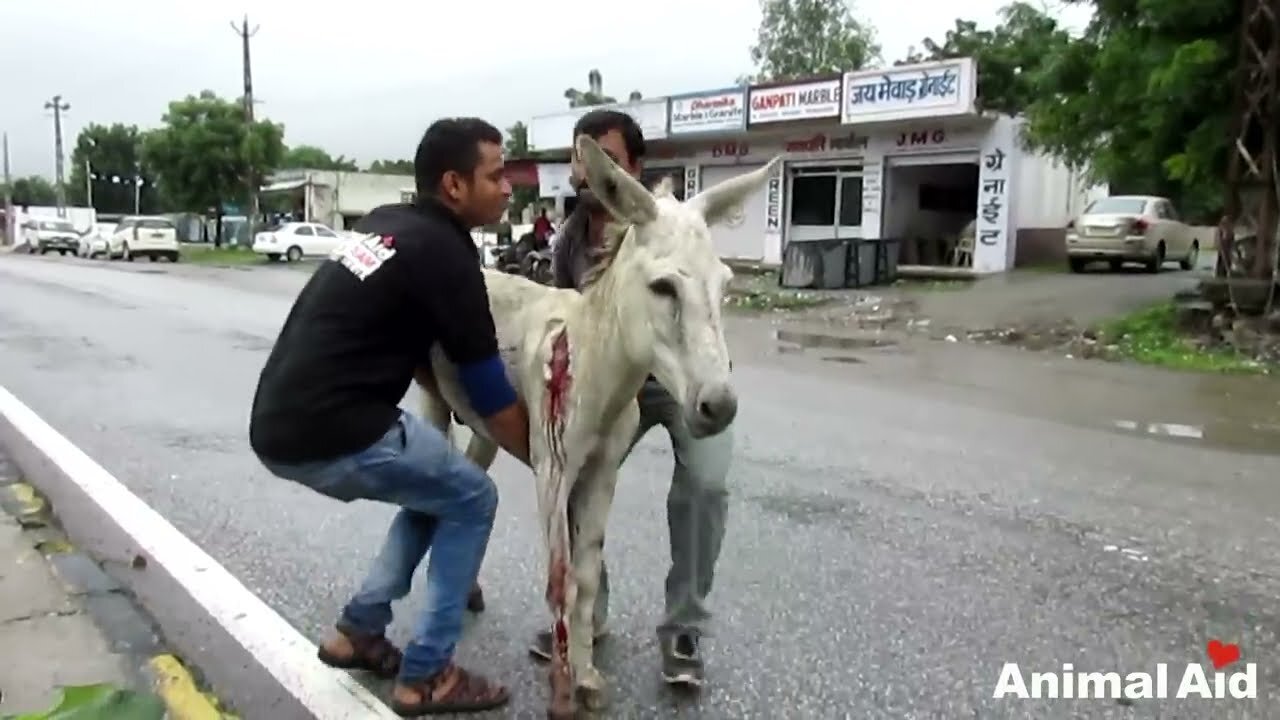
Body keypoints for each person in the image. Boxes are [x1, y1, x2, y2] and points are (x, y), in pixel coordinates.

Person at [249, 117, 529, 716]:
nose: (509, 188)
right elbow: (488, 392)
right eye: (496, 175)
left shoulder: (388, 226)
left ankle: (358, 631)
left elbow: (426, 356)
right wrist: (549, 460)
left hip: (279, 421)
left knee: (440, 486)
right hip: (335, 428)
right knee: (474, 497)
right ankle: (427, 674)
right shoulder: (448, 258)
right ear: (454, 185)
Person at [542, 108, 733, 687]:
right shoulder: (570, 237)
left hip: (676, 383)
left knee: (705, 487)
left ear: (636, 167)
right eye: (585, 161)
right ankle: (585, 616)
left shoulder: (675, 228)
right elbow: (565, 322)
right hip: (608, 388)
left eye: (611, 162)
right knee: (575, 487)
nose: (596, 176)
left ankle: (684, 629)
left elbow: (703, 307)